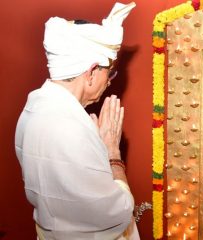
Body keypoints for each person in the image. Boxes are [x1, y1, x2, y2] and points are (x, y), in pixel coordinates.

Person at [15, 2, 139, 240]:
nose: (110, 80)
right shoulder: (71, 128)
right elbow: (118, 212)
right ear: (91, 72)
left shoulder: (33, 107)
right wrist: (112, 153)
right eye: (109, 72)